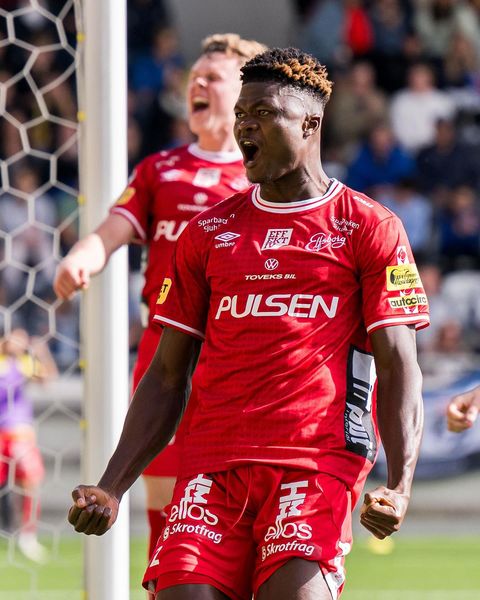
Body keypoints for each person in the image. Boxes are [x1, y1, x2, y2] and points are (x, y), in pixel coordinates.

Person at [67, 48, 429, 600]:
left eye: (263, 113)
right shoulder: (208, 233)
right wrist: (112, 487)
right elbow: (167, 375)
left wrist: (399, 484)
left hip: (314, 463)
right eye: (241, 114)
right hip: (212, 464)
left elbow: (399, 363)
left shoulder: (368, 227)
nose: (244, 127)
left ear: (310, 124)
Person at [54, 33, 267, 564]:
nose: (198, 84)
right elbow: (110, 231)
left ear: (244, 95)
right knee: (166, 500)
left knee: (239, 499)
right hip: (166, 349)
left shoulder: (263, 180)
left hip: (236, 353)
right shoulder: (160, 169)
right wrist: (83, 256)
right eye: (195, 76)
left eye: (213, 77)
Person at [0, 329, 58, 562]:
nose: (19, 343)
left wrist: (42, 353)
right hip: (2, 434)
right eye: (15, 337)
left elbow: (47, 380)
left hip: (20, 433)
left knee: (30, 483)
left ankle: (27, 536)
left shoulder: (22, 363)